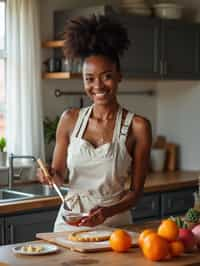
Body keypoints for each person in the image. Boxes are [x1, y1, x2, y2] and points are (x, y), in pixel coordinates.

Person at [37, 15, 152, 232]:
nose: (97, 85)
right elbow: (59, 176)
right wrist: (49, 175)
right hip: (69, 223)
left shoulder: (138, 126)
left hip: (114, 227)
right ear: (83, 81)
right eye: (89, 79)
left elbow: (135, 193)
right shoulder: (69, 119)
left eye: (106, 76)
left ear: (119, 76)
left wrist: (105, 212)